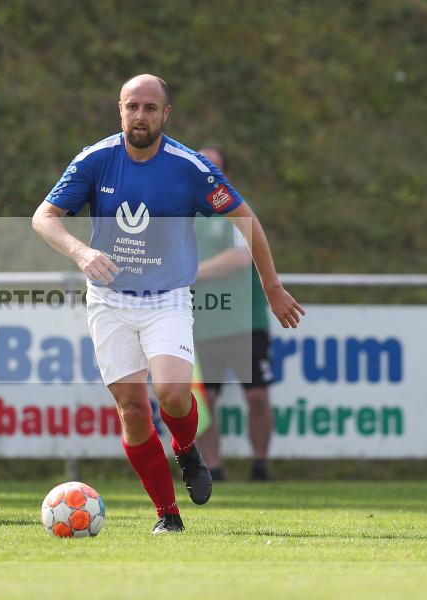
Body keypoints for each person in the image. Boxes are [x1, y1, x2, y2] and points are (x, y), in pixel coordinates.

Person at [32, 74, 304, 533]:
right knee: (133, 411)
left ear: (166, 114)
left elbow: (247, 221)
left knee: (174, 394)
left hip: (167, 299)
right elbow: (44, 217)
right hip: (109, 301)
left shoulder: (191, 168)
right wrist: (81, 251)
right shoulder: (95, 160)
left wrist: (272, 288)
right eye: (132, 107)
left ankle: (184, 447)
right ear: (120, 109)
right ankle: (167, 515)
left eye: (150, 108)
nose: (140, 116)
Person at [194, 146, 274, 482]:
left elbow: (240, 258)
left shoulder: (236, 211)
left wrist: (192, 273)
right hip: (202, 323)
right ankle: (215, 469)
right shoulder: (182, 214)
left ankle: (259, 467)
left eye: (214, 167)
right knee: (204, 403)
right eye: (201, 166)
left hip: (245, 321)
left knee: (256, 397)